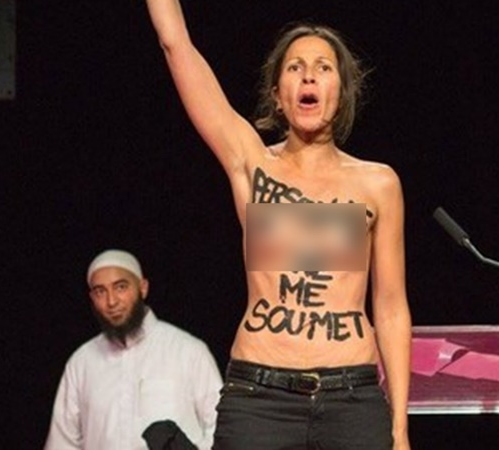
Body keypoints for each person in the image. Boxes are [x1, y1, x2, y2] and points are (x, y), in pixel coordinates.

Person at [144, 2, 412, 449]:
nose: (308, 77)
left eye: (323, 68)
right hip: (259, 400)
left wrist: (399, 429)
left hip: (352, 400)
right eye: (295, 67)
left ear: (342, 91)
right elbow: (176, 45)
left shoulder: (379, 183)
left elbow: (390, 306)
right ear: (276, 93)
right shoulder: (252, 165)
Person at [44, 249, 223, 450]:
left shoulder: (188, 352)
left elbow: (221, 431)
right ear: (92, 298)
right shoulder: (81, 363)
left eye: (120, 287)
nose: (112, 301)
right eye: (100, 291)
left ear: (143, 287)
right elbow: (62, 443)